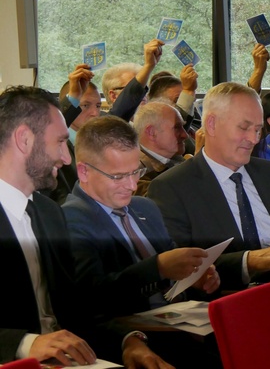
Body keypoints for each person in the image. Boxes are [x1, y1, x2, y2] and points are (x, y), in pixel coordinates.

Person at [0, 86, 171, 368]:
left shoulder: (48, 212)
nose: (67, 158)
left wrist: (128, 341)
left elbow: (77, 308)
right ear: (24, 139)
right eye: (59, 142)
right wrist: (26, 342)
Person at [61, 116, 221, 367]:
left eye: (136, 171)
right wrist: (158, 267)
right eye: (118, 176)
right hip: (131, 339)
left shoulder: (145, 207)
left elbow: (173, 262)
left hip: (185, 325)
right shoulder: (69, 220)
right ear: (84, 171)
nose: (132, 185)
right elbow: (92, 298)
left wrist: (195, 275)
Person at [146, 81, 270, 291]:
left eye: (258, 130)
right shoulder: (173, 187)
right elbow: (180, 269)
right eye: (244, 128)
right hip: (230, 300)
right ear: (212, 124)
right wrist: (247, 261)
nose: (253, 139)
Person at [99, 38, 166, 121]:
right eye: (132, 87)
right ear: (113, 95)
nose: (142, 94)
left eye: (144, 88)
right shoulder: (108, 124)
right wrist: (148, 66)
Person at [132, 102, 189, 196]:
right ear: (152, 132)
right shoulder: (135, 173)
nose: (185, 135)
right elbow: (169, 199)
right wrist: (199, 165)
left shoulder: (174, 158)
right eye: (177, 128)